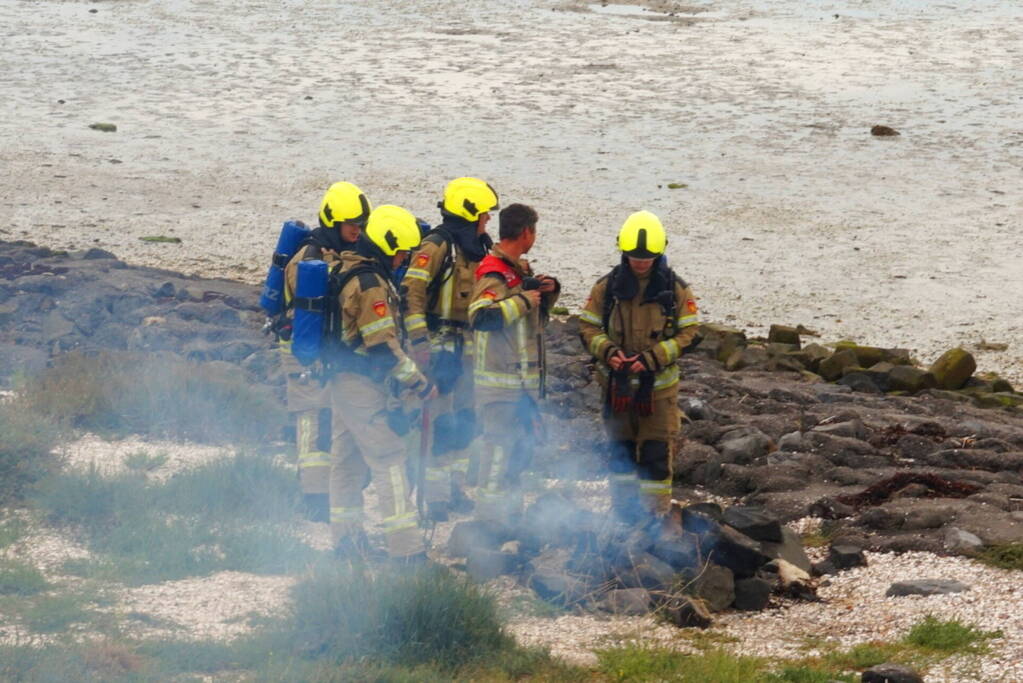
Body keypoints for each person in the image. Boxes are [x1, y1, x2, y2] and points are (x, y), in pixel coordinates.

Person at [326, 204, 436, 563]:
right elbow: (384, 350)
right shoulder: (371, 285)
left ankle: (346, 541)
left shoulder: (351, 269)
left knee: (346, 460)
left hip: (343, 379)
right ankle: (406, 553)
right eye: (402, 252)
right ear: (389, 246)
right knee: (389, 457)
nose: (404, 259)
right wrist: (419, 384)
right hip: (360, 384)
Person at [577, 211, 700, 523]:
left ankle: (656, 518)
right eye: (634, 257)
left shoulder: (676, 291)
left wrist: (652, 358)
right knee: (621, 456)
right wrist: (608, 352)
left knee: (657, 458)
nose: (640, 263)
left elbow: (690, 333)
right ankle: (622, 517)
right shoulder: (606, 289)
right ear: (623, 252)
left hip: (657, 394)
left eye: (647, 258)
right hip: (616, 390)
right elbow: (587, 328)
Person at [401, 177, 499, 522]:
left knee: (466, 421)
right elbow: (411, 293)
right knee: (439, 423)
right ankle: (434, 499)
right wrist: (420, 345)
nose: (487, 220)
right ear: (470, 212)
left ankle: (455, 489)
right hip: (439, 348)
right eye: (484, 214)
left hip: (471, 348)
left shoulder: (479, 247)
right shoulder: (436, 245)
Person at [281, 181, 371, 521]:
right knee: (310, 415)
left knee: (327, 415)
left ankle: (324, 489)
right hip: (301, 349)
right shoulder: (309, 257)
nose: (356, 231)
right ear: (333, 222)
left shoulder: (341, 253)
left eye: (361, 225)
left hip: (327, 349)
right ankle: (313, 494)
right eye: (351, 225)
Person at [467, 203, 559, 523]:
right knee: (496, 456)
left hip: (520, 387)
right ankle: (488, 523)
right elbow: (481, 316)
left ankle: (510, 519)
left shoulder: (518, 270)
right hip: (499, 386)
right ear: (526, 233)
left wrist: (547, 291)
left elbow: (531, 323)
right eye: (534, 231)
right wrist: (522, 300)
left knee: (517, 455)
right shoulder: (494, 271)